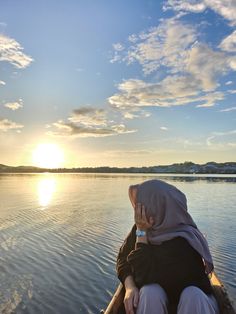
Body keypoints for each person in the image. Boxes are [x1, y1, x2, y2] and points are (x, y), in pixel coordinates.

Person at [116, 179, 219, 314]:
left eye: (142, 205)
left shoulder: (185, 240)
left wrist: (141, 236)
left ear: (157, 208)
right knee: (150, 292)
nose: (138, 211)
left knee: (192, 295)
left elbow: (143, 277)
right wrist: (129, 286)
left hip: (195, 303)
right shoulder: (144, 227)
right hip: (160, 298)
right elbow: (122, 258)